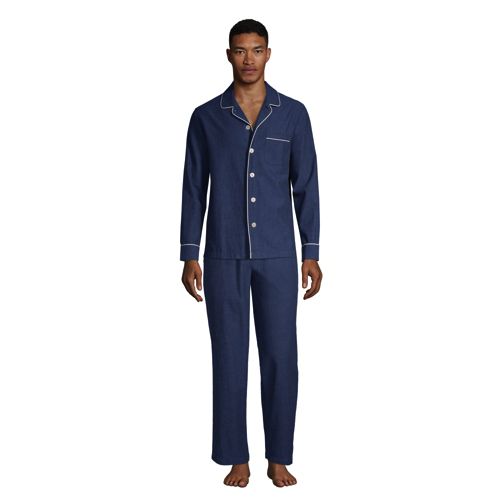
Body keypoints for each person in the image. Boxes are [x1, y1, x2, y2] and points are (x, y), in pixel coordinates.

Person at [179, 18, 322, 488]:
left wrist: (311, 251)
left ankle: (279, 457)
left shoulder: (293, 114)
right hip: (223, 255)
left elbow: (306, 185)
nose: (248, 59)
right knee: (229, 357)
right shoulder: (206, 117)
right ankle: (235, 456)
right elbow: (194, 188)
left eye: (256, 50)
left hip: (279, 255)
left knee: (281, 356)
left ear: (268, 54)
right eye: (240, 50)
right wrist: (189, 252)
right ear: (228, 55)